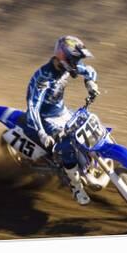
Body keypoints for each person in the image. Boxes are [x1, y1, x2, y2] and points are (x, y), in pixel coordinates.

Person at [25, 35, 100, 205]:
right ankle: (76, 188)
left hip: (62, 112)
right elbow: (33, 106)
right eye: (74, 59)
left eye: (78, 59)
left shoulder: (68, 67)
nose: (77, 63)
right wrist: (42, 132)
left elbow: (90, 71)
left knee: (88, 123)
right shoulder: (44, 77)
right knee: (66, 146)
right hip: (44, 119)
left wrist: (91, 84)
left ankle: (91, 162)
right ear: (62, 57)